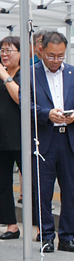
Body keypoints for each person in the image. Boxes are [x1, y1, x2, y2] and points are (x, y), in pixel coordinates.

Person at [30, 31, 74, 253]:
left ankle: (67, 237)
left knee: (70, 189)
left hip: (69, 138)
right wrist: (46, 114)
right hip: (44, 139)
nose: (56, 60)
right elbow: (24, 106)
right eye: (51, 56)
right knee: (43, 190)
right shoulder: (30, 74)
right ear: (40, 51)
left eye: (60, 56)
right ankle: (46, 235)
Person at [0, 36, 22, 240]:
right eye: (2, 50)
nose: (5, 54)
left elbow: (20, 99)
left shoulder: (26, 75)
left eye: (9, 50)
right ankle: (11, 225)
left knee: (31, 183)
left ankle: (41, 226)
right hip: (2, 137)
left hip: (22, 136)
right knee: (3, 183)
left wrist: (5, 76)